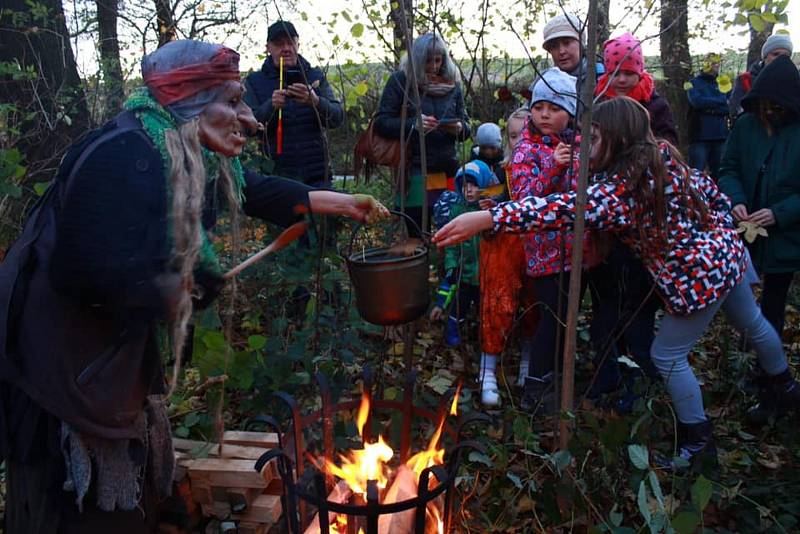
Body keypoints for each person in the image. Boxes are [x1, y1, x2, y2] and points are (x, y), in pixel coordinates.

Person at [0, 40, 387, 532]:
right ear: (189, 103)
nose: (251, 119)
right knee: (73, 511)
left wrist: (340, 202)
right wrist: (178, 287)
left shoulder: (179, 146)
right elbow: (86, 273)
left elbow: (257, 190)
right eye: (232, 102)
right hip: (58, 373)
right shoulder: (124, 156)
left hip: (102, 358)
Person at [434, 96, 800, 468]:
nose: (585, 145)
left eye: (593, 139)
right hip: (725, 253)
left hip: (697, 276)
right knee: (753, 321)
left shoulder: (622, 191)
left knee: (667, 356)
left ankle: (698, 444)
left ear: (617, 138)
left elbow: (559, 209)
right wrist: (719, 233)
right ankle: (785, 387)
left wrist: (489, 219)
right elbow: (713, 195)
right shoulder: (662, 155)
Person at [510, 68, 598, 412]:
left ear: (571, 112)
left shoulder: (583, 145)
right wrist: (552, 168)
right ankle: (535, 388)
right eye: (538, 107)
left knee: (569, 317)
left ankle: (561, 381)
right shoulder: (526, 151)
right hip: (546, 254)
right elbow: (522, 200)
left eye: (554, 108)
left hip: (582, 252)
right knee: (553, 317)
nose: (544, 115)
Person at [718, 55, 800, 341]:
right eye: (765, 107)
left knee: (774, 304)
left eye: (777, 107)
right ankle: (743, 351)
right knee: (741, 301)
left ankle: (769, 371)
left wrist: (780, 213)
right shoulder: (745, 125)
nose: (770, 113)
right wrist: (735, 199)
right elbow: (728, 169)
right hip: (744, 232)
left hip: (787, 237)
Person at [375, 33, 471, 237]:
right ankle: (420, 268)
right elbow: (381, 123)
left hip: (447, 167)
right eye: (428, 60)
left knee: (452, 227)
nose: (434, 66)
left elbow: (466, 124)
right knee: (418, 232)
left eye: (438, 60)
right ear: (417, 59)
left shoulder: (453, 83)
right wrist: (414, 125)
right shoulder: (401, 81)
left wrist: (460, 128)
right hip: (415, 169)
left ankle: (450, 268)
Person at [477, 108, 539, 405]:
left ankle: (528, 361)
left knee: (534, 305)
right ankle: (487, 368)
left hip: (537, 250)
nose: (520, 141)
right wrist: (486, 204)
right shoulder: (502, 173)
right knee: (498, 304)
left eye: (526, 134)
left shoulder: (547, 167)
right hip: (504, 249)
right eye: (514, 136)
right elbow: (487, 202)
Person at [243, 20, 344, 187]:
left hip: (317, 175)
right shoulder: (254, 81)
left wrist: (316, 102)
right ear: (268, 47)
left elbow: (337, 118)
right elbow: (248, 127)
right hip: (275, 175)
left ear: (298, 44)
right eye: (279, 44)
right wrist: (271, 106)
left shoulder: (314, 76)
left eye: (290, 42)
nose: (286, 48)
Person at [595, 32, 677, 144]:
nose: (622, 80)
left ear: (639, 74)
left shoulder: (657, 106)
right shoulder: (598, 103)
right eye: (615, 74)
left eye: (629, 73)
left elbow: (669, 142)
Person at [686, 53, 730, 179]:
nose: (713, 66)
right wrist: (720, 102)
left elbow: (729, 106)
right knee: (695, 176)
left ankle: (718, 198)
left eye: (716, 63)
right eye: (710, 63)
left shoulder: (723, 83)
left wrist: (709, 108)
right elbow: (697, 102)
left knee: (720, 175)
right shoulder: (693, 83)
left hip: (720, 136)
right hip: (699, 136)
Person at [730, 33, 793, 118]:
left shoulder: (793, 83)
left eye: (786, 56)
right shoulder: (745, 80)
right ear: (765, 56)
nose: (780, 59)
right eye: (775, 54)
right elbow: (735, 111)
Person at [536, 12, 604, 92]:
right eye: (554, 46)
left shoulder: (601, 78)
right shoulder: (544, 82)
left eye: (567, 43)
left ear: (581, 44)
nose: (561, 51)